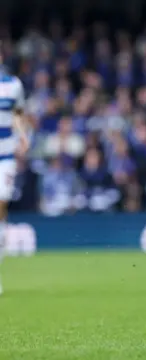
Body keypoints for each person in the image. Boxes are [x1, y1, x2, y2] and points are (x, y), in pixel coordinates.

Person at [0, 57, 29, 295]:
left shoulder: (13, 85)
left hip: (6, 155)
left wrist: (23, 135)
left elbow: (18, 113)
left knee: (1, 203)